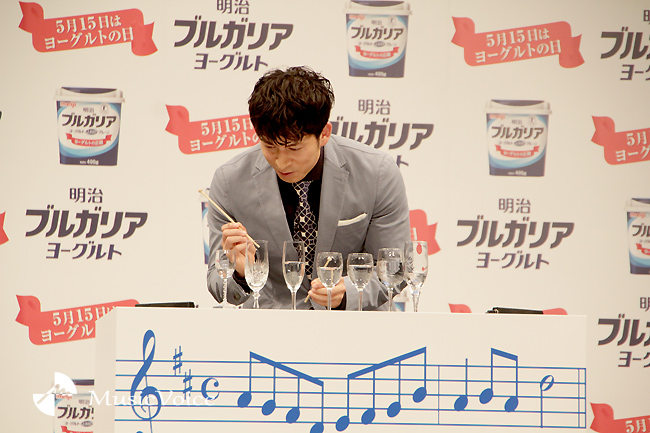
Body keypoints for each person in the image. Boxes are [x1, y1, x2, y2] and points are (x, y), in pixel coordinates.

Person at [207, 66, 410, 309]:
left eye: (294, 148)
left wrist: (349, 293)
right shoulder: (229, 181)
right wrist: (241, 275)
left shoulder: (377, 173)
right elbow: (216, 282)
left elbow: (395, 270)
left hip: (355, 325)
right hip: (268, 325)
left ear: (324, 133)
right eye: (269, 146)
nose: (281, 162)